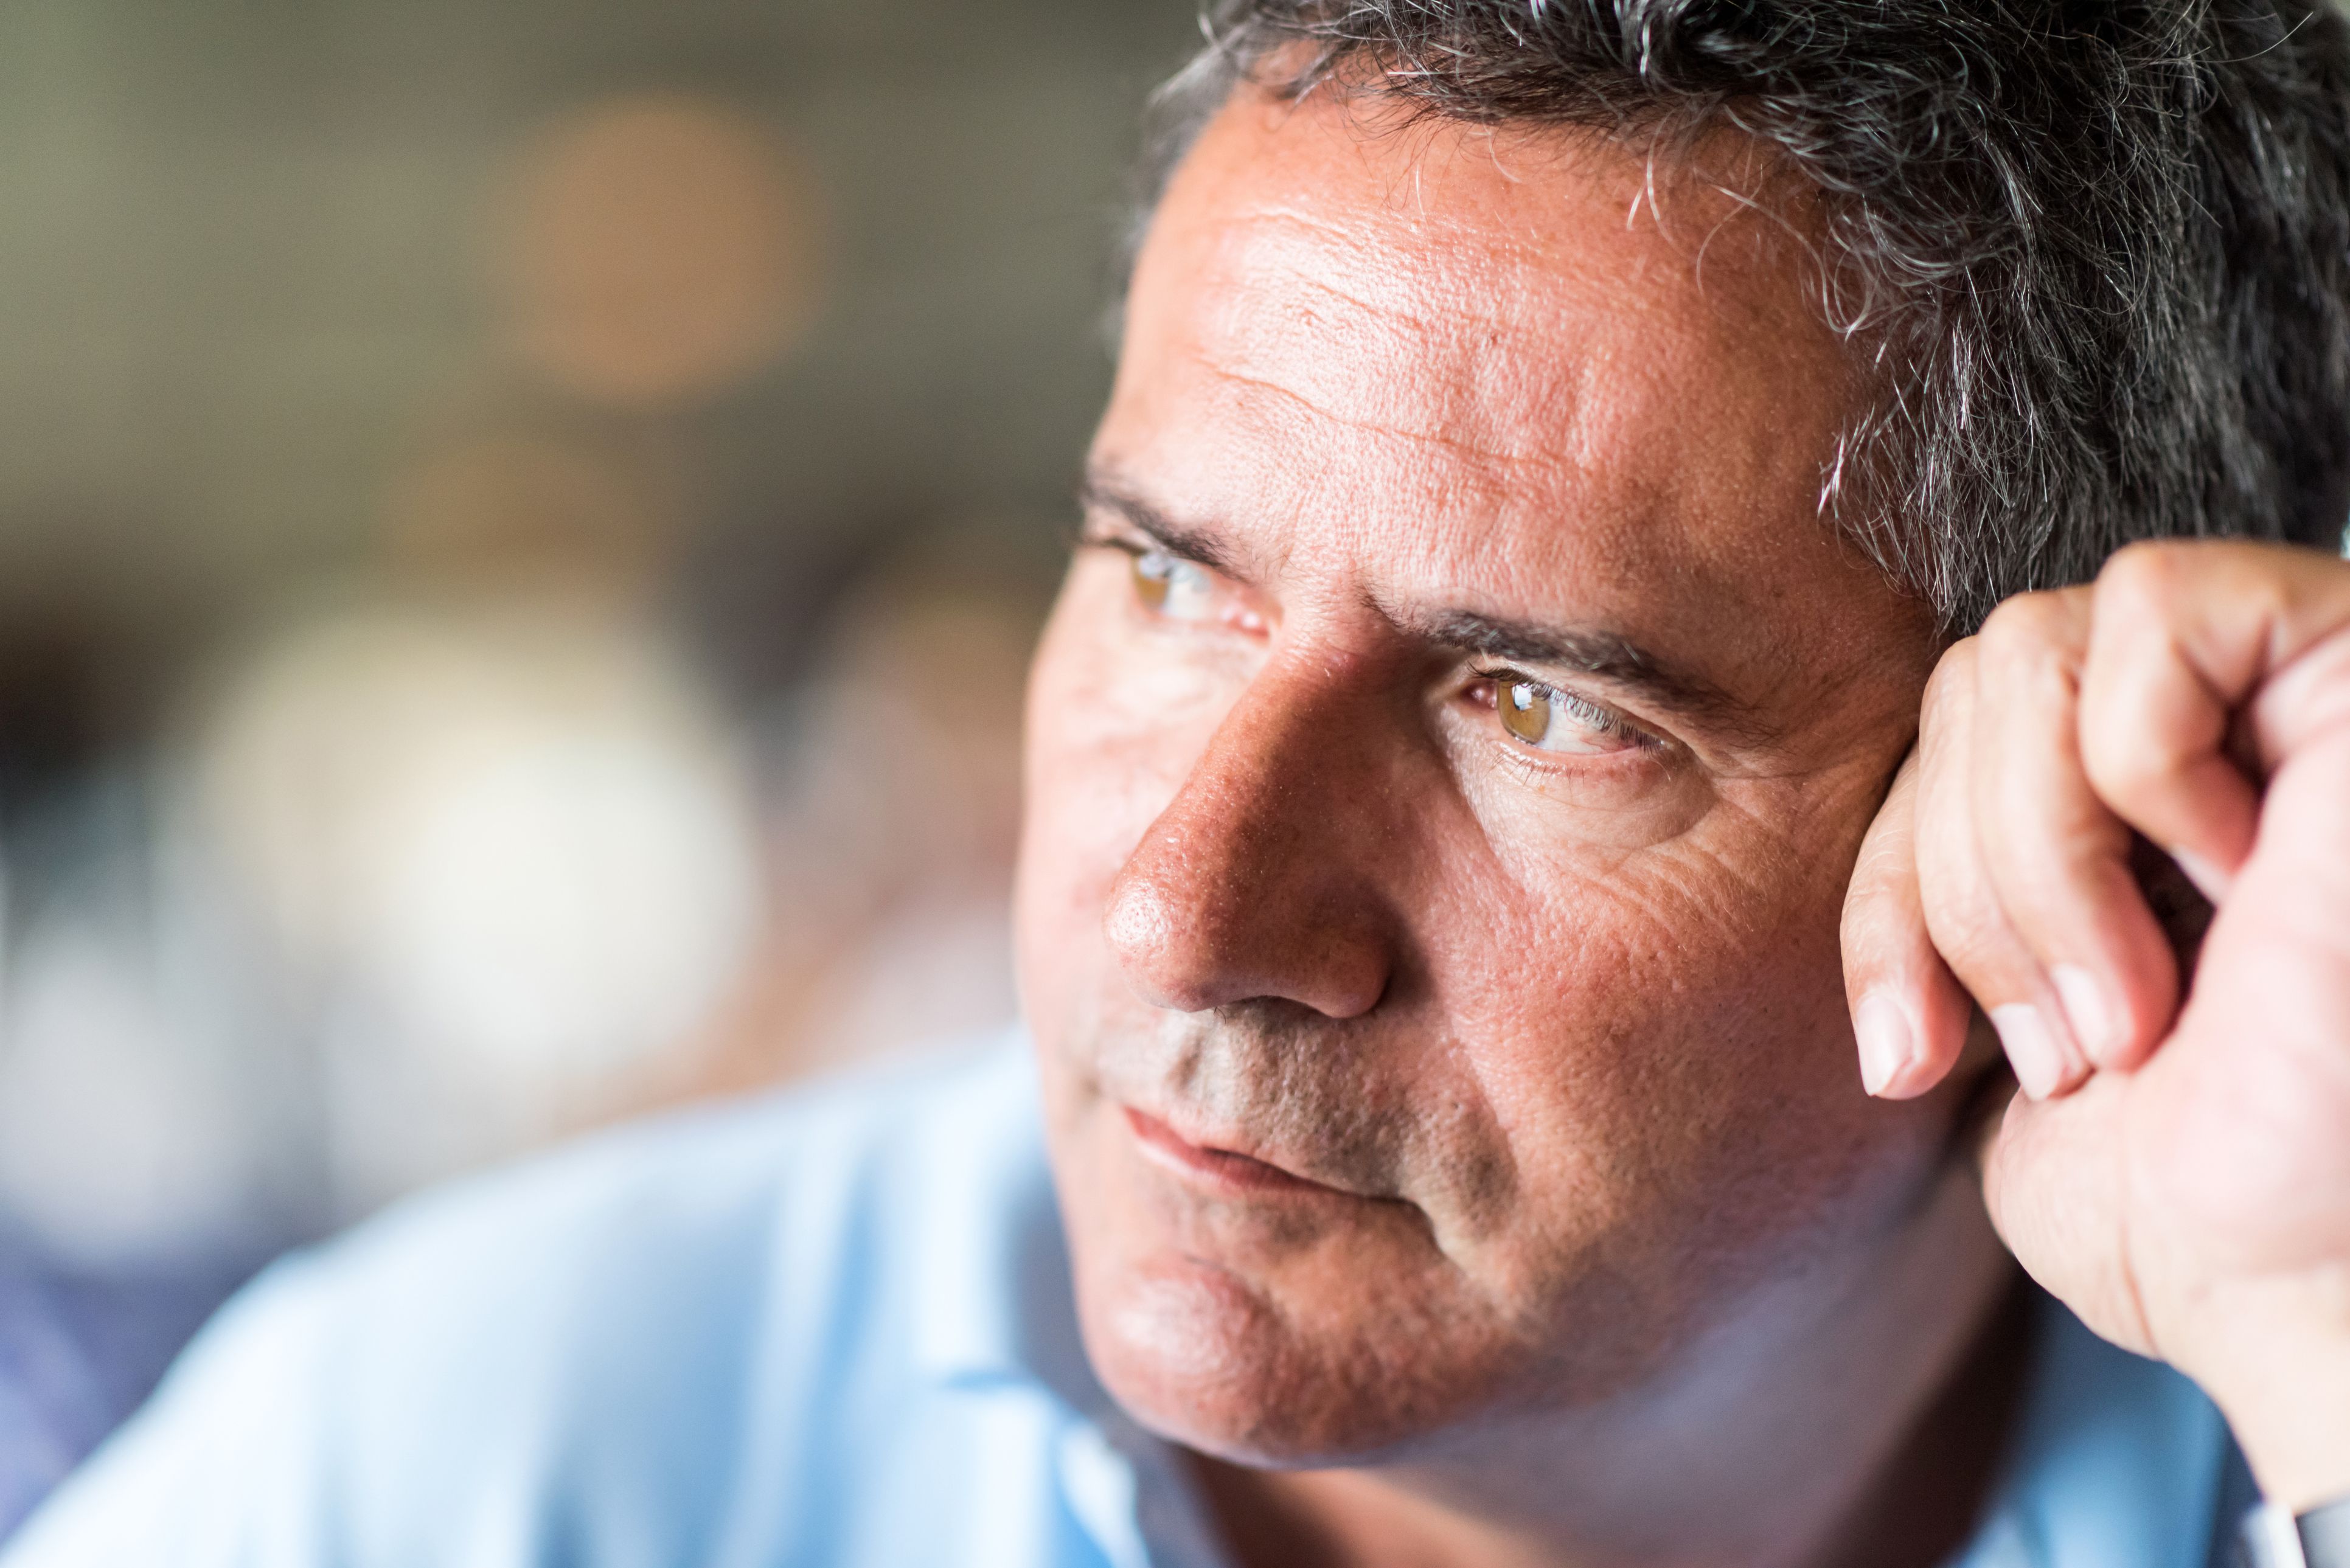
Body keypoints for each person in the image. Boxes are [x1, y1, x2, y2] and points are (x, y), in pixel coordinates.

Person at [10, 2, 2350, 1564]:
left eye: (1544, 708)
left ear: (2087, 806)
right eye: (1163, 575)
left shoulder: (2293, 1377)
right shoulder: (448, 1473)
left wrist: (2318, 1315)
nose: (1176, 909)